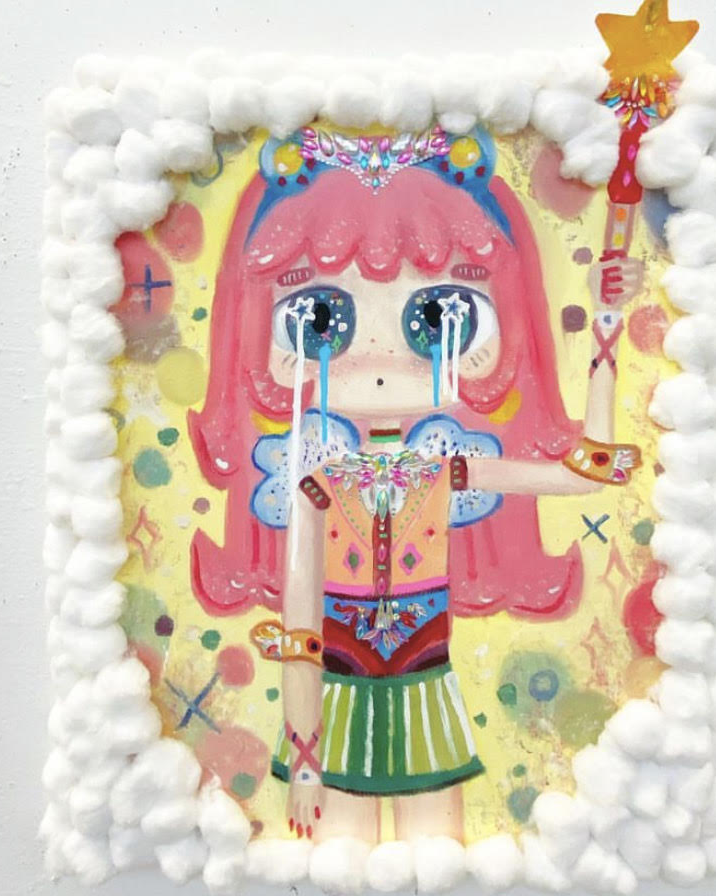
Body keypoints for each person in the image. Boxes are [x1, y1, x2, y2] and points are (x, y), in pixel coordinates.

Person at [190, 125, 643, 844]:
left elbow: (587, 472)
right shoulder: (314, 485)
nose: (377, 357)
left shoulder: (443, 469)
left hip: (429, 700)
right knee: (337, 868)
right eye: (321, 318)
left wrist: (607, 329)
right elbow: (302, 630)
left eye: (437, 317)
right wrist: (304, 755)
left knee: (442, 861)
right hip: (336, 709)